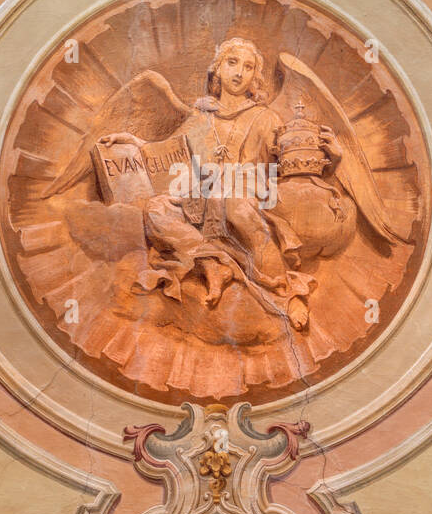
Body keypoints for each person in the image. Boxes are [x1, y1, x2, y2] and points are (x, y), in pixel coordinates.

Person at [98, 37, 336, 330]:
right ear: (218, 70)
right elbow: (172, 152)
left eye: (248, 67)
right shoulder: (200, 117)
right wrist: (135, 143)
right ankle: (213, 264)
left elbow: (291, 168)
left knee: (234, 206)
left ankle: (289, 293)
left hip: (248, 199)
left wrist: (334, 160)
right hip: (201, 201)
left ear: (254, 78)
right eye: (232, 63)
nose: (239, 72)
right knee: (158, 209)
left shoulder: (266, 118)